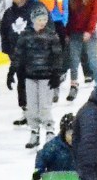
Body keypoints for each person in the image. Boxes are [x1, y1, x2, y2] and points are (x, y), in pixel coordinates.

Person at [0, 0, 48, 125]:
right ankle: (26, 110)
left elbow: (47, 28)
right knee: (22, 82)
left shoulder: (37, 8)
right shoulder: (9, 13)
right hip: (18, 56)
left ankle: (39, 111)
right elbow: (5, 33)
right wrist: (9, 52)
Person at [16, 9, 64, 149]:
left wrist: (56, 74)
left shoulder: (51, 36)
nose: (42, 22)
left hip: (46, 77)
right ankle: (34, 131)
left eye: (44, 19)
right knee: (31, 106)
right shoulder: (25, 35)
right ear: (33, 20)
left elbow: (57, 55)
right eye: (39, 19)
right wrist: (14, 69)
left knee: (44, 105)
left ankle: (49, 129)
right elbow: (19, 54)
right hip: (30, 76)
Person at [66, 0, 97, 99]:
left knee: (92, 61)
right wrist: (68, 32)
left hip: (89, 33)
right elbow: (69, 13)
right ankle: (74, 86)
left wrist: (89, 30)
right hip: (74, 32)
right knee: (73, 61)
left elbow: (95, 13)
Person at [32, 114, 77, 179]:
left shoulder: (82, 147)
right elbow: (42, 156)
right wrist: (38, 170)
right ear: (63, 133)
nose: (73, 137)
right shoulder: (54, 145)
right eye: (70, 134)